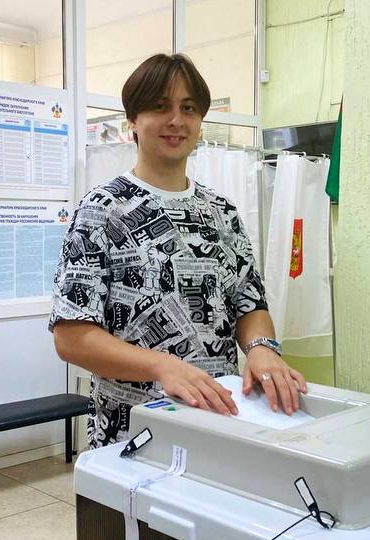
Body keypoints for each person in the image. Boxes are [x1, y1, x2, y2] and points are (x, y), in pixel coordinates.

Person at [50, 53, 307, 449]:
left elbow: (249, 304)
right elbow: (71, 337)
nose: (176, 120)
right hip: (133, 436)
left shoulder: (221, 212)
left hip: (218, 420)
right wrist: (161, 366)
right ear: (132, 120)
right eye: (159, 106)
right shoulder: (102, 210)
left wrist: (261, 349)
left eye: (188, 108)